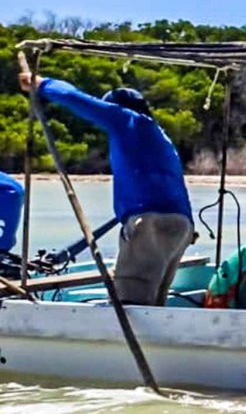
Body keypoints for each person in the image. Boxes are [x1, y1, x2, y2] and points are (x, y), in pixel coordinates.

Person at [18, 62, 193, 305]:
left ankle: (124, 343)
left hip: (152, 224)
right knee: (153, 304)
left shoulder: (128, 121)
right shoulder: (157, 134)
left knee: (131, 302)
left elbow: (75, 98)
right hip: (180, 225)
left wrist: (41, 84)